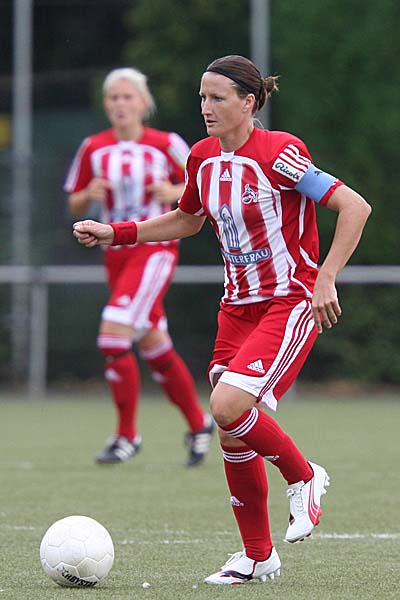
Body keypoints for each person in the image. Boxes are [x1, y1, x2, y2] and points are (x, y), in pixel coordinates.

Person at [72, 55, 372, 584]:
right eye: (202, 98)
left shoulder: (281, 153)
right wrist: (116, 232)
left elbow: (355, 207)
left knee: (228, 406)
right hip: (236, 308)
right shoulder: (202, 157)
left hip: (287, 300)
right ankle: (257, 556)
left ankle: (304, 476)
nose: (206, 107)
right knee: (232, 433)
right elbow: (187, 219)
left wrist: (326, 277)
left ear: (248, 102)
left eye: (217, 98)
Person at [64, 67, 214, 467]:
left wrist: (174, 190)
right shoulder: (94, 147)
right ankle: (199, 423)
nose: (120, 104)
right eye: (113, 97)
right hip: (115, 255)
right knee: (154, 344)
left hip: (154, 250)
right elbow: (74, 202)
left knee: (113, 335)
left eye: (127, 97)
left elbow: (205, 184)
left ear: (144, 103)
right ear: (105, 105)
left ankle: (127, 435)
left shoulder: (167, 143)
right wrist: (87, 195)